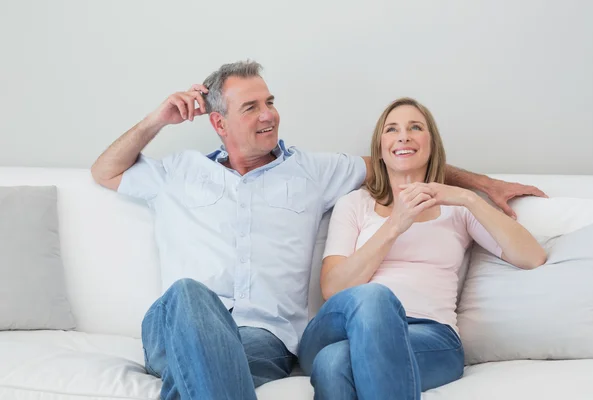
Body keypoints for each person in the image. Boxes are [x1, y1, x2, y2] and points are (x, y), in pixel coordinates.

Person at [91, 61, 547, 400]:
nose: (268, 114)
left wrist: (480, 186)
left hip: (261, 341)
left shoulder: (313, 172)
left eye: (270, 102)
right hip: (178, 323)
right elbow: (105, 171)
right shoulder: (178, 173)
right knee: (190, 294)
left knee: (202, 377)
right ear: (218, 122)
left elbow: (397, 161)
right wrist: (157, 119)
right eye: (251, 107)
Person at [297, 97, 547, 400]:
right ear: (379, 148)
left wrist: (468, 198)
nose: (403, 135)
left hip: (429, 337)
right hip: (343, 325)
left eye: (415, 127)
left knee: (333, 364)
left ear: (432, 145)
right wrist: (394, 226)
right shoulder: (354, 204)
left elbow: (532, 257)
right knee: (374, 298)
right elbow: (334, 289)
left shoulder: (457, 207)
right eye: (392, 129)